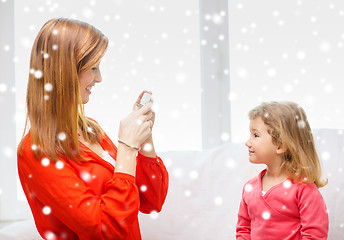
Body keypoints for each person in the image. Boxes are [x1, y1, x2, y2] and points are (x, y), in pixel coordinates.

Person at [17, 18, 169, 240]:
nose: (99, 78)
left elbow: (151, 201)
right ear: (66, 71)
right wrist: (127, 148)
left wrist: (143, 138)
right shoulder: (36, 151)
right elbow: (106, 230)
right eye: (93, 68)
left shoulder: (90, 130)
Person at [236, 101, 328, 240]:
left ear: (280, 144)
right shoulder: (249, 188)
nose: (247, 142)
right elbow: (244, 229)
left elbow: (314, 235)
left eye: (255, 135)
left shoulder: (303, 189)